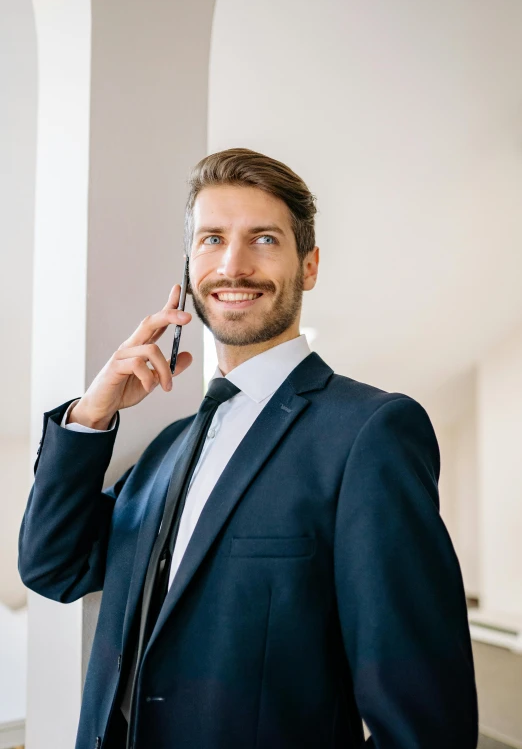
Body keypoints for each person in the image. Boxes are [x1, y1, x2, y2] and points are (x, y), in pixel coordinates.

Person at [19, 148, 478, 749]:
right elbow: (53, 565)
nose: (233, 266)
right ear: (189, 267)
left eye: (263, 239)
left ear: (308, 267)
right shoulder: (166, 450)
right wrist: (89, 415)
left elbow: (426, 723)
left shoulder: (371, 433)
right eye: (212, 239)